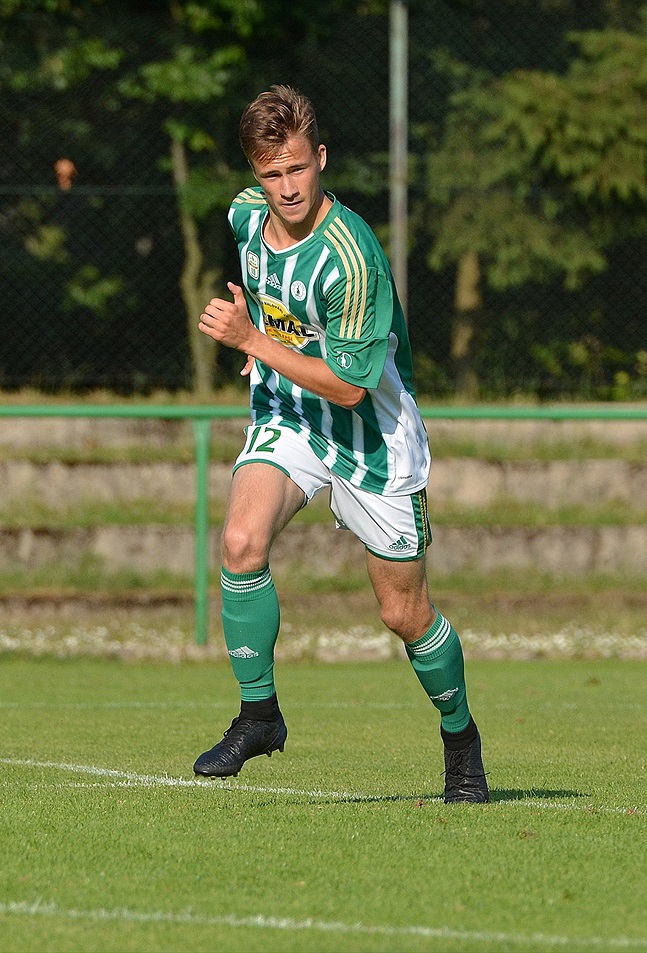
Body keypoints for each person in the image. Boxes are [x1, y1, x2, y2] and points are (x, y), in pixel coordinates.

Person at [193, 84, 488, 803]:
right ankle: (259, 713)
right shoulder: (243, 215)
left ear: (320, 158)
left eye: (298, 168)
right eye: (272, 174)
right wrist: (258, 335)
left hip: (371, 435)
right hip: (292, 416)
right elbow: (273, 304)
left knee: (403, 614)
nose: (288, 187)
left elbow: (352, 387)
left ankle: (461, 738)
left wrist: (255, 339)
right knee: (239, 542)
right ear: (255, 175)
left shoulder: (350, 255)